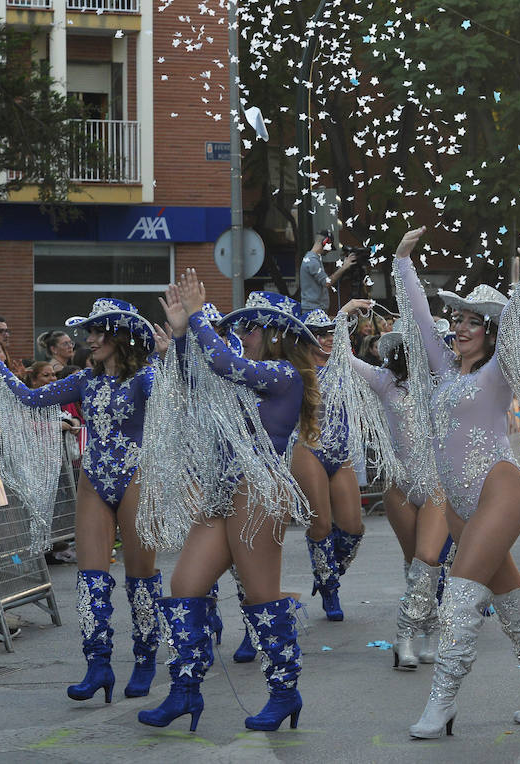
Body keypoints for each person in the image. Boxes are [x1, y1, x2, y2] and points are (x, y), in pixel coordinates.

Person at [396, 226, 520, 739]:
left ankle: (441, 704)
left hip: (499, 490)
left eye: (474, 321)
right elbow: (421, 322)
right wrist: (404, 264)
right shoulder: (442, 370)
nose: (461, 328)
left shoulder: (498, 370)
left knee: (459, 595)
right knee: (510, 596)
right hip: (458, 501)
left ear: (490, 332)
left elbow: (517, 327)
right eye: (459, 319)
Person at [138, 276, 319, 733]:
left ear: (276, 333)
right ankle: (184, 692)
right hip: (222, 490)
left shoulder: (283, 375)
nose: (245, 335)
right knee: (184, 586)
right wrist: (180, 335)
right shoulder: (242, 375)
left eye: (253, 328)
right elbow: (192, 382)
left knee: (260, 596)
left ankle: (284, 692)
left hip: (259, 491)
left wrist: (198, 318)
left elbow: (220, 363)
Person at [0, 299, 161, 704]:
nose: (90, 339)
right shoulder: (85, 380)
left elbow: (175, 405)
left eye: (99, 332)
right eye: (89, 332)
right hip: (94, 482)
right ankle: (97, 664)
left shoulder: (147, 378)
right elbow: (29, 400)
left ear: (121, 336)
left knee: (140, 576)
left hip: (137, 479)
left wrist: (174, 358)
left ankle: (145, 658)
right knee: (91, 578)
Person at [331, 298, 449, 670]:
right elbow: (341, 358)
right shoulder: (385, 382)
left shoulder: (449, 383)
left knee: (429, 558)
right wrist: (343, 315)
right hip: (399, 484)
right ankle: (429, 627)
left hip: (436, 485)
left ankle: (405, 635)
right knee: (413, 561)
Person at [291, 309, 366, 623]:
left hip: (341, 452)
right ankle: (329, 588)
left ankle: (325, 573)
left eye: (330, 332)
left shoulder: (345, 366)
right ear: (306, 339)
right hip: (307, 449)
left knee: (352, 528)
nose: (326, 338)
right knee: (320, 525)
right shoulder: (295, 371)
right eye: (318, 333)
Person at [299, 233, 358, 314]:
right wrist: (344, 267)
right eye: (330, 246)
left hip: (314, 308)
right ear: (325, 242)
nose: (329, 251)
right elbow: (327, 282)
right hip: (314, 309)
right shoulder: (312, 261)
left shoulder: (312, 259)